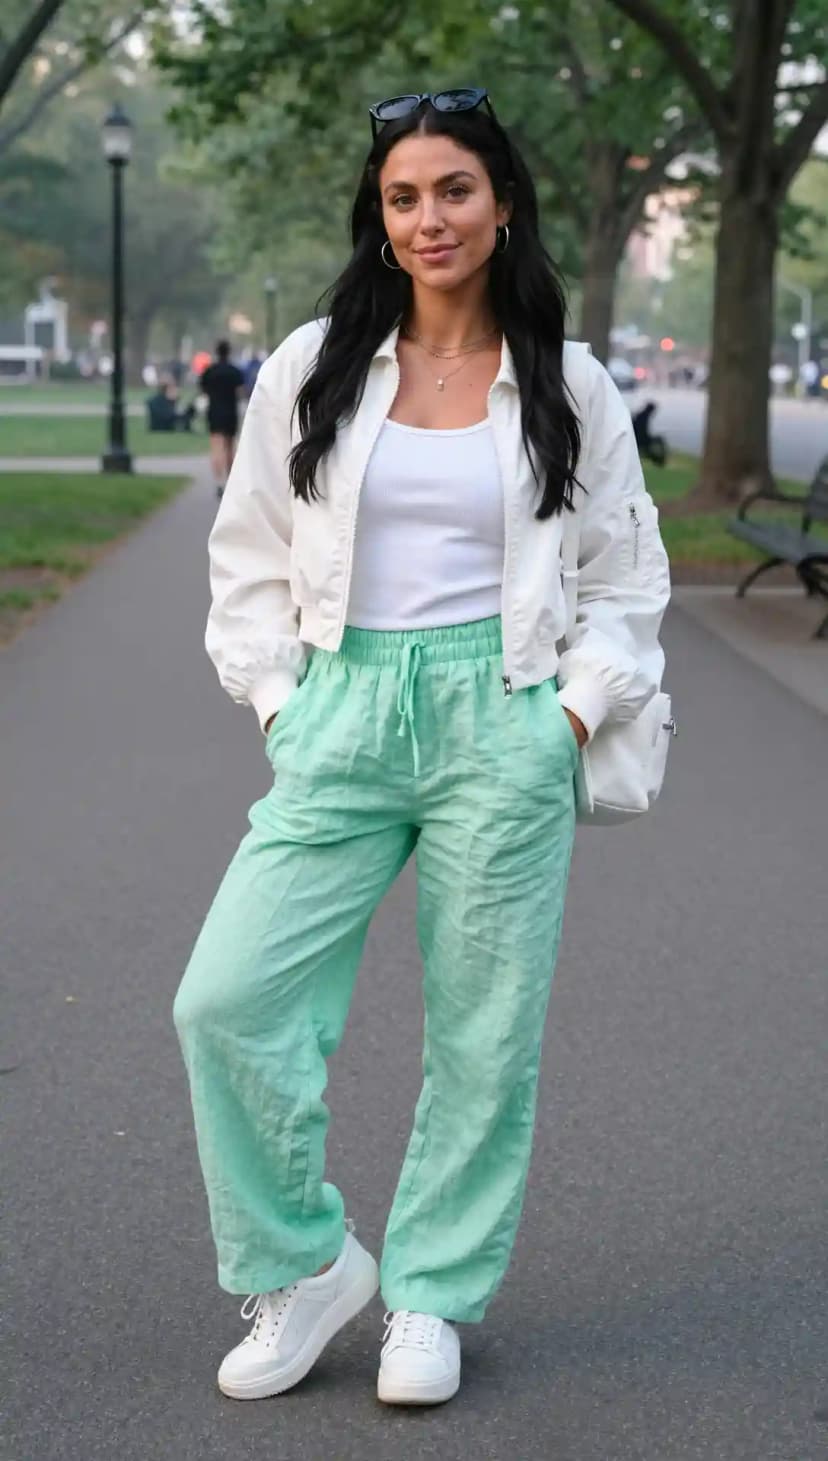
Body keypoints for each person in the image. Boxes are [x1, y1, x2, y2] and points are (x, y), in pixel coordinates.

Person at [173, 87, 670, 1409]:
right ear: (379, 218)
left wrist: (562, 719)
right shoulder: (314, 362)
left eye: (454, 189)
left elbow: (628, 582)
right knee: (225, 998)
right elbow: (248, 561)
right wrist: (285, 706)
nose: (429, 217)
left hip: (501, 718)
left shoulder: (565, 380)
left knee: (484, 1036)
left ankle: (433, 1294)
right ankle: (303, 1261)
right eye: (403, 197)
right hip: (342, 711)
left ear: (502, 202)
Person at [199, 341, 245, 496]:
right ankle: (230, 481)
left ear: (216, 352)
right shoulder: (234, 371)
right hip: (230, 411)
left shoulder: (209, 371)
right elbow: (240, 392)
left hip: (214, 412)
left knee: (216, 447)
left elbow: (203, 391)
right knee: (230, 447)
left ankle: (219, 482)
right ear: (229, 352)